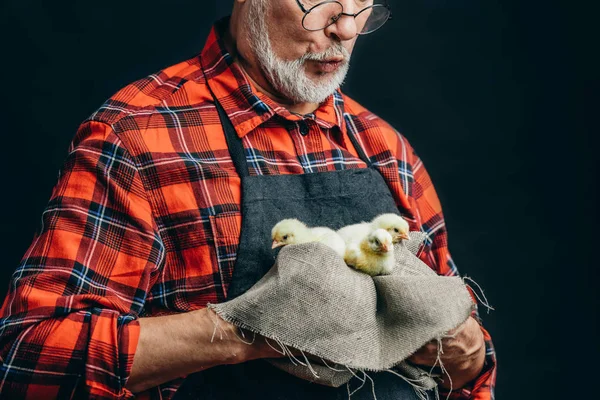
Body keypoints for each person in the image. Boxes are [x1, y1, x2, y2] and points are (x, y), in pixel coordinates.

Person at [0, 0, 496, 398]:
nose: (344, 27)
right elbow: (32, 357)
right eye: (317, 0)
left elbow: (470, 375)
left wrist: (464, 350)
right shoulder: (138, 135)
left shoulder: (384, 149)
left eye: (360, 1)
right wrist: (251, 329)